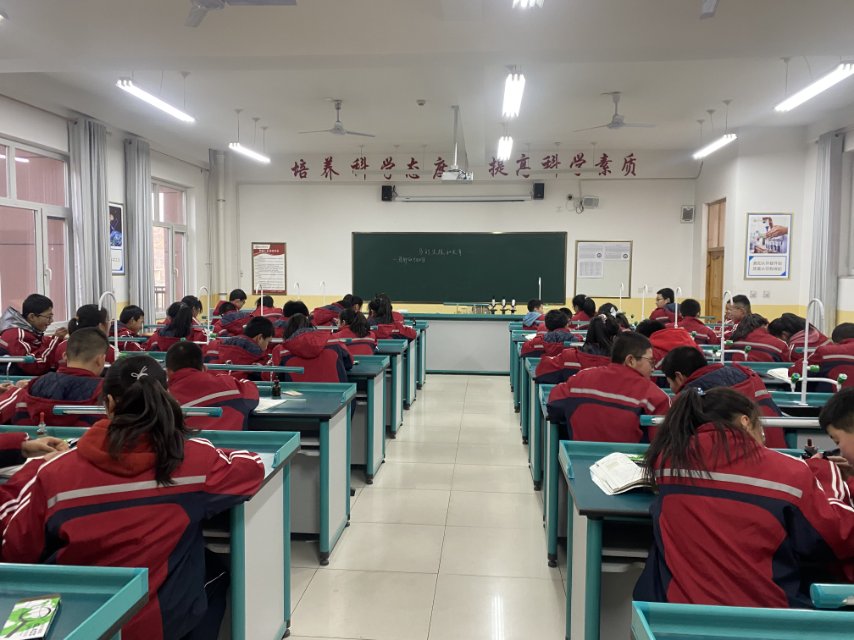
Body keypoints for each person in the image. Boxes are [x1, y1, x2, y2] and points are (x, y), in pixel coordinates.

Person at [1, 355, 265, 640]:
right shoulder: (195, 461)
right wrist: (199, 447)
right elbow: (252, 467)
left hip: (77, 622)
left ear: (109, 404)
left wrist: (28, 471)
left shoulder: (53, 472)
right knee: (215, 572)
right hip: (158, 621)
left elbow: (15, 551)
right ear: (167, 397)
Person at [633, 387, 854, 607]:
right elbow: (838, 537)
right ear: (745, 422)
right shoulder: (792, 473)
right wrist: (826, 477)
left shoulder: (666, 461)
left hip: (676, 614)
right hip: (767, 615)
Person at [547, 333, 670, 443]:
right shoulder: (656, 397)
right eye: (651, 361)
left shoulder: (581, 378)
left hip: (577, 460)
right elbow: (662, 446)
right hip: (630, 461)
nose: (653, 368)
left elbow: (553, 405)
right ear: (631, 360)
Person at [660, 346, 786, 447]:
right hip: (780, 452)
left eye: (670, 382)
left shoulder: (687, 401)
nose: (671, 388)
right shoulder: (748, 376)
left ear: (679, 377)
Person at [0, 328, 109, 427]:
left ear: (64, 356)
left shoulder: (34, 385)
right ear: (100, 360)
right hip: (83, 441)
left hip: (35, 441)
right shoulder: (105, 391)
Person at [167, 342, 259, 429]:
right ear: (204, 368)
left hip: (183, 441)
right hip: (228, 441)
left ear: (168, 372)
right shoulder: (230, 386)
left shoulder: (163, 399)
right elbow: (252, 392)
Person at [534, 315, 616, 384]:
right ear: (615, 337)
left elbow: (541, 371)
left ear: (589, 332)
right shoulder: (620, 365)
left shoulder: (569, 357)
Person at [272, 314, 352, 382]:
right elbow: (349, 363)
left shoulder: (281, 350)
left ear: (287, 332)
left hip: (297, 395)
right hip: (337, 394)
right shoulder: (333, 340)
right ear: (310, 326)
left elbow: (276, 377)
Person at [0, 294, 66, 376]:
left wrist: (55, 340)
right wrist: (55, 339)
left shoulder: (29, 331)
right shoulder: (17, 335)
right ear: (32, 317)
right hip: (17, 380)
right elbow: (36, 366)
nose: (51, 321)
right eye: (48, 317)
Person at [203, 316, 273, 380]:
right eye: (268, 342)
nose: (266, 347)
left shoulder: (215, 348)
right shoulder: (261, 361)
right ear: (260, 338)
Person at [789, 322, 854, 391]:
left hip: (834, 396)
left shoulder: (826, 352)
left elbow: (798, 371)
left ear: (835, 342)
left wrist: (797, 364)